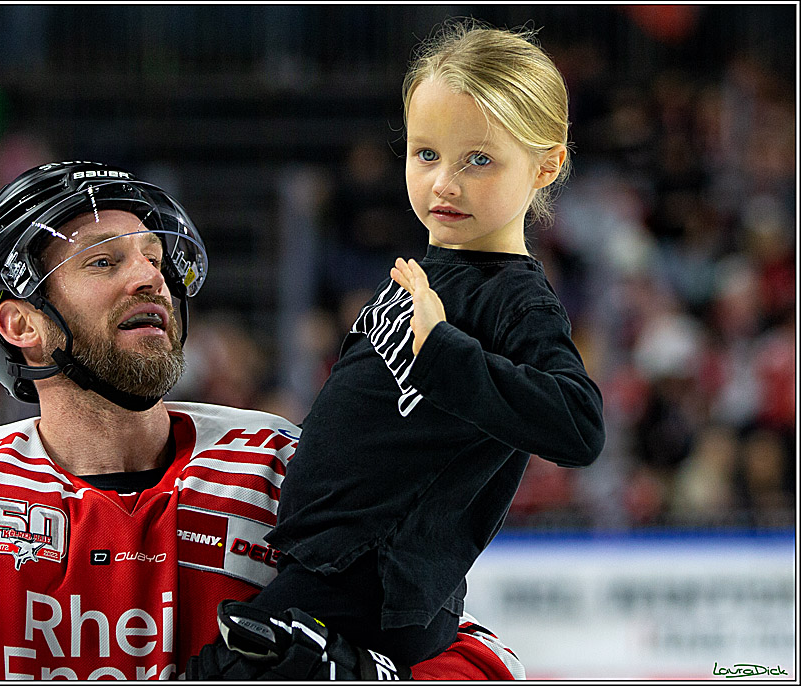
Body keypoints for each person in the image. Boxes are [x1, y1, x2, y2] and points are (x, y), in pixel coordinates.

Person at [0, 160, 523, 680]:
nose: (150, 277)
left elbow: (487, 657)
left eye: (156, 259)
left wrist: (370, 679)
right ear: (22, 325)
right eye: (104, 262)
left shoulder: (285, 472)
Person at [197, 19, 607, 673]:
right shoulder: (430, 270)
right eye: (427, 153)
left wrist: (445, 354)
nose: (445, 181)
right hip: (324, 570)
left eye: (479, 158)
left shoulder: (513, 296)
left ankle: (358, 671)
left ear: (546, 165)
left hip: (366, 590)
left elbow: (579, 424)